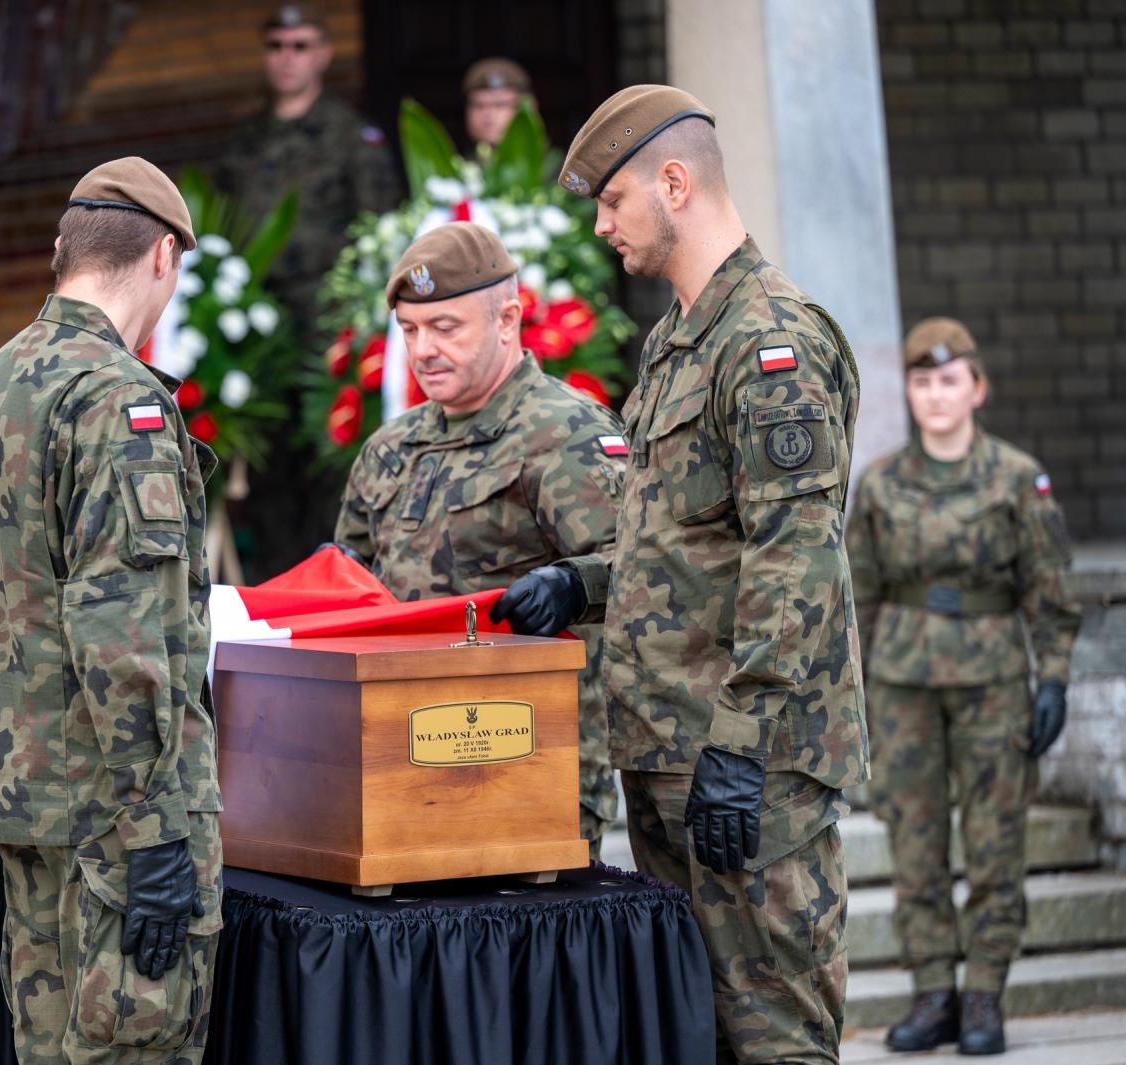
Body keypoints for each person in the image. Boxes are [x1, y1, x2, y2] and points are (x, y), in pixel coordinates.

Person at [558, 85, 866, 1063]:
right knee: (696, 1034)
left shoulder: (769, 342)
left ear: (674, 184)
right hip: (665, 750)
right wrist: (580, 585)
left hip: (747, 763)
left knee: (771, 1033)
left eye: (612, 201)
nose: (603, 225)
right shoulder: (672, 345)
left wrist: (740, 746)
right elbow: (680, 544)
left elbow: (797, 555)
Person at [0, 157, 220, 1065]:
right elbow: (120, 626)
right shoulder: (117, 397)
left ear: (66, 255)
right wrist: (156, 827)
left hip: (24, 800)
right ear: (163, 256)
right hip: (112, 815)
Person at [332, 221, 626, 852]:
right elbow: (348, 589)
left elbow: (644, 569)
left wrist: (574, 585)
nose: (423, 350)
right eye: (410, 330)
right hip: (398, 761)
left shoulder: (562, 431)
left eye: (445, 328)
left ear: (507, 319)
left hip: (528, 760)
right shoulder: (389, 448)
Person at [847, 318, 1080, 1056]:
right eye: (921, 381)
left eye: (949, 380)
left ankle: (984, 992)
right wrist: (854, 695)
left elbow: (1049, 592)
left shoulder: (1018, 478)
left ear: (977, 388)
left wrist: (1055, 681)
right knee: (914, 845)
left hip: (992, 684)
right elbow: (861, 595)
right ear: (909, 392)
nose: (935, 394)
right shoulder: (881, 483)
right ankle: (933, 994)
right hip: (903, 682)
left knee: (993, 845)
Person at [216, 2, 401, 581]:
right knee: (268, 479)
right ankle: (273, 603)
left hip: (329, 338)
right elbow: (219, 234)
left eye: (300, 45)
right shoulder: (241, 145)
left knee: (332, 476)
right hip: (260, 340)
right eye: (277, 45)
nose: (287, 58)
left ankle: (333, 594)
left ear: (322, 53)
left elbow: (381, 236)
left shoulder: (353, 138)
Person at [462, 57, 534, 152]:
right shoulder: (456, 164)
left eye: (500, 105)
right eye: (479, 105)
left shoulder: (552, 164)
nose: (488, 114)